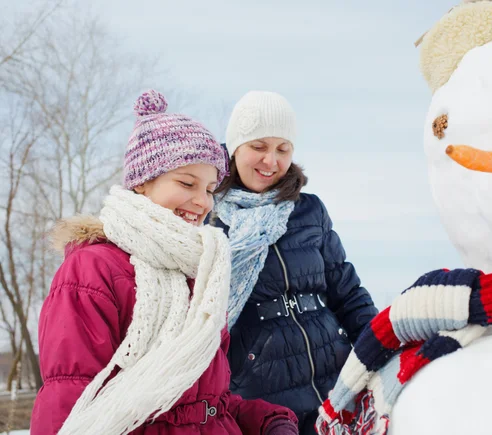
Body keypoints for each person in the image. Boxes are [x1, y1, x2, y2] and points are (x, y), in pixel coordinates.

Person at [30, 90, 298, 435]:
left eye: (209, 189)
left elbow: (203, 398)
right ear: (143, 181)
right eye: (187, 183)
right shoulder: (93, 271)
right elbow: (69, 398)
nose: (201, 202)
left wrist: (265, 420)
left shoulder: (198, 270)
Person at [209, 90, 378, 433]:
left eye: (282, 150)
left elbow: (346, 291)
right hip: (264, 398)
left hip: (335, 381)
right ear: (235, 147)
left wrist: (380, 345)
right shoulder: (210, 219)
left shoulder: (308, 209)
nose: (270, 161)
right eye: (258, 147)